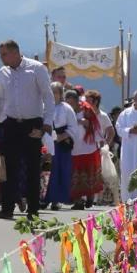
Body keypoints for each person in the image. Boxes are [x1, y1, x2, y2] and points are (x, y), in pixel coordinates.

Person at [0, 40, 55, 220]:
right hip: (11, 123)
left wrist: (45, 125)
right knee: (9, 168)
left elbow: (48, 98)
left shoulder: (36, 69)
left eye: (4, 54)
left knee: (31, 168)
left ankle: (33, 210)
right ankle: (7, 207)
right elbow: (1, 100)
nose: (1, 58)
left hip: (32, 124)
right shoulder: (3, 72)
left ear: (14, 53)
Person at [42, 82, 78, 210]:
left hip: (61, 144)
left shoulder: (67, 108)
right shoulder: (44, 107)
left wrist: (63, 136)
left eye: (55, 92)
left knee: (60, 172)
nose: (53, 95)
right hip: (46, 142)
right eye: (51, 92)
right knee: (46, 171)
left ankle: (56, 199)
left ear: (60, 94)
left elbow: (73, 127)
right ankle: (44, 198)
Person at [69, 89, 104, 210]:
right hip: (73, 147)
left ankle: (90, 197)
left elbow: (95, 125)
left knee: (89, 173)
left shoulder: (87, 109)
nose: (70, 104)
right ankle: (78, 201)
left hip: (88, 147)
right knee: (76, 175)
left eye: (72, 101)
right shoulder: (67, 111)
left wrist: (86, 123)